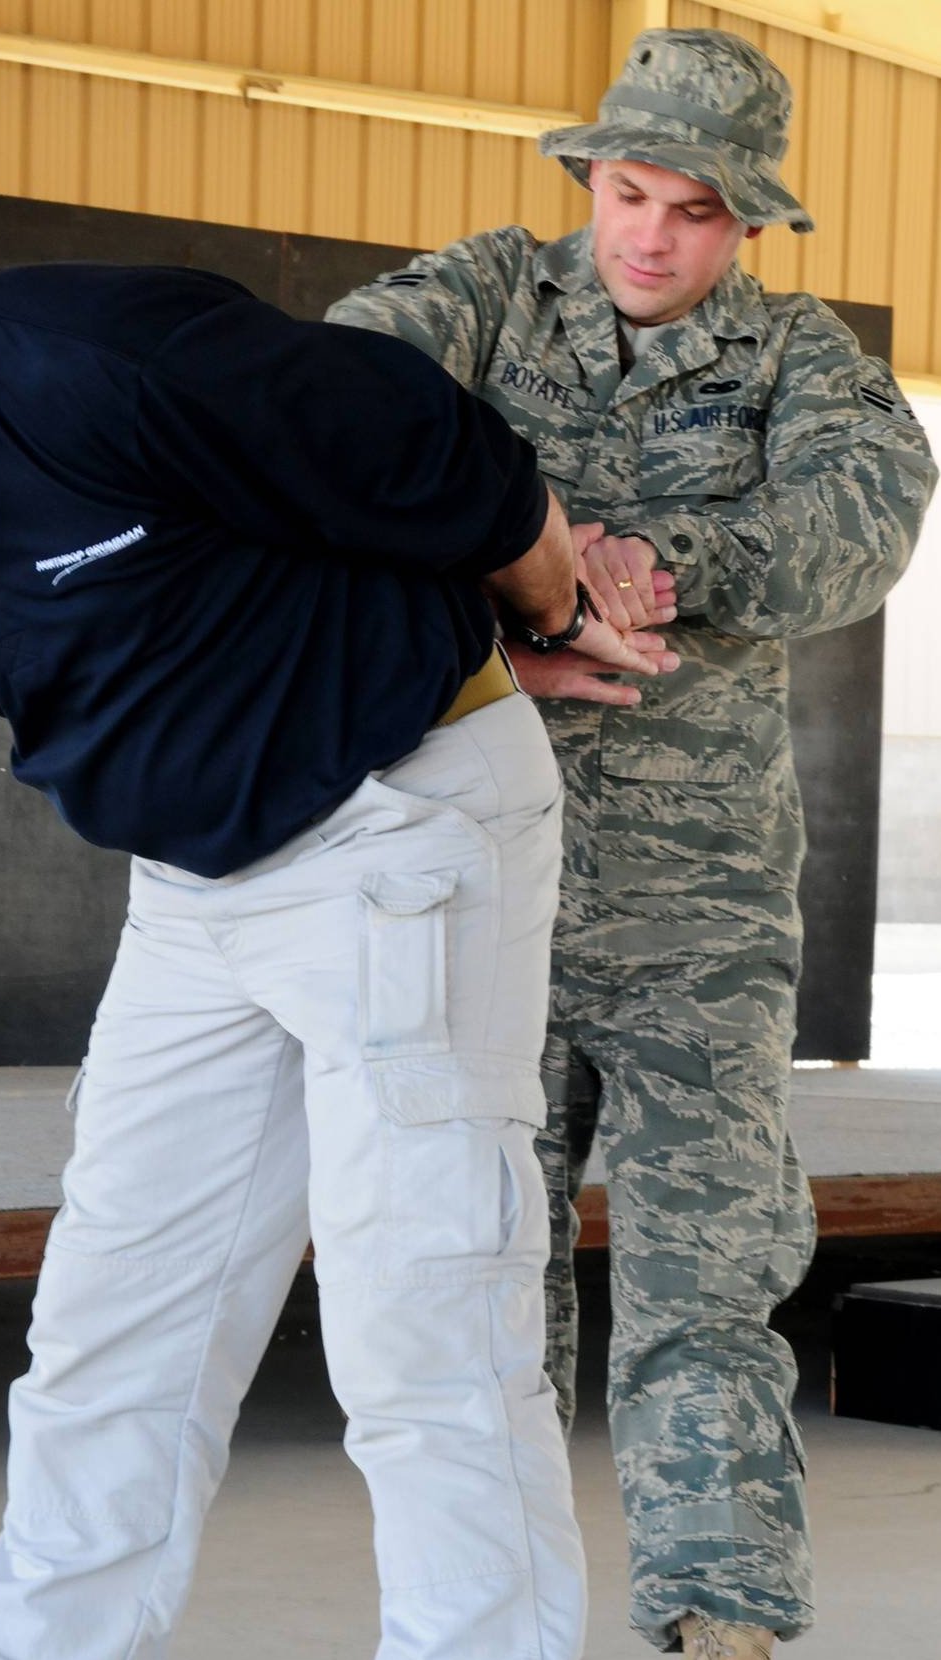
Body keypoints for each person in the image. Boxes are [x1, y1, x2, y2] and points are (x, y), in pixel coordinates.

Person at [0, 184, 669, 1659]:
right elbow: (159, 636)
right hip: (192, 894)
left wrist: (538, 616)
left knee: (425, 1329)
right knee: (111, 1339)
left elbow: (446, 462)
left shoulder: (104, 355)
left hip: (394, 823)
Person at [329, 26, 937, 1660]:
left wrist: (663, 553)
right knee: (476, 1280)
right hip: (475, 887)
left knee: (705, 1283)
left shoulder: (800, 354)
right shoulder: (481, 299)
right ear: (588, 178)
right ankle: (482, 1617)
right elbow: (325, 403)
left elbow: (869, 514)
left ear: (749, 224)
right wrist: (521, 552)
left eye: (690, 209)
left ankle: (719, 1618)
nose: (648, 234)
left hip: (701, 914)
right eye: (626, 191)